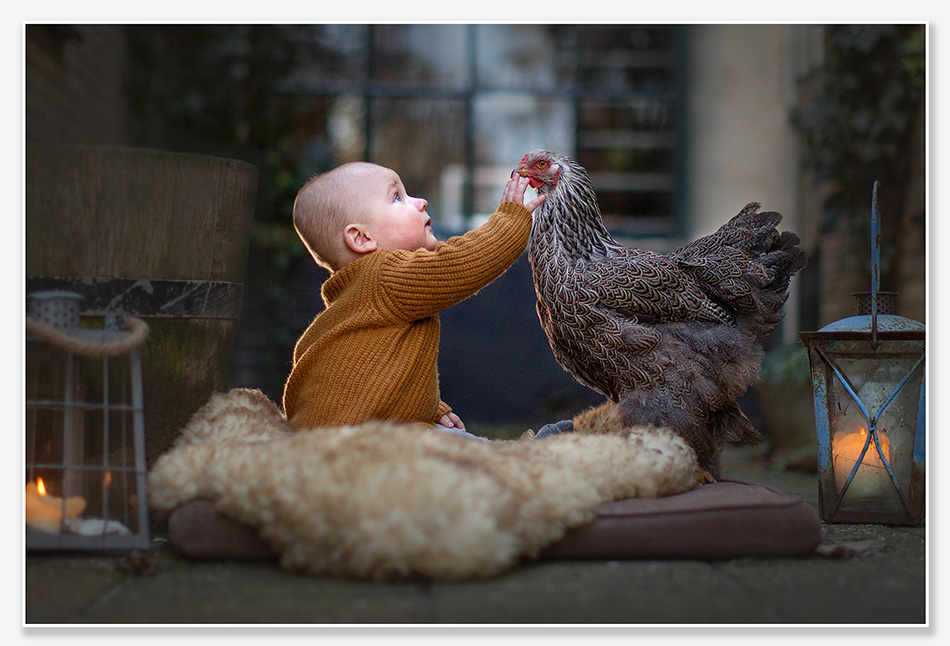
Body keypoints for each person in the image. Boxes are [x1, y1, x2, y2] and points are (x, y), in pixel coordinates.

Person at [282, 161, 548, 441]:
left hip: (329, 445)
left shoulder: (346, 311)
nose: (421, 202)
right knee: (472, 449)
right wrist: (509, 221)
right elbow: (458, 264)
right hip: (364, 446)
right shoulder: (383, 276)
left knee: (452, 440)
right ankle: (535, 450)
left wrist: (428, 407)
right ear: (361, 238)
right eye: (397, 197)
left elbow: (369, 384)